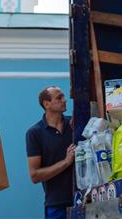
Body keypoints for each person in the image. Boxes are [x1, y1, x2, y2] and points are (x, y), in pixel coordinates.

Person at [26, 86, 76, 219]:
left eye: (64, 96)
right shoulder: (34, 133)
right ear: (46, 104)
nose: (65, 100)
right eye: (59, 98)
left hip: (84, 199)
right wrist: (66, 162)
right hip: (56, 206)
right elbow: (34, 175)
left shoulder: (74, 124)